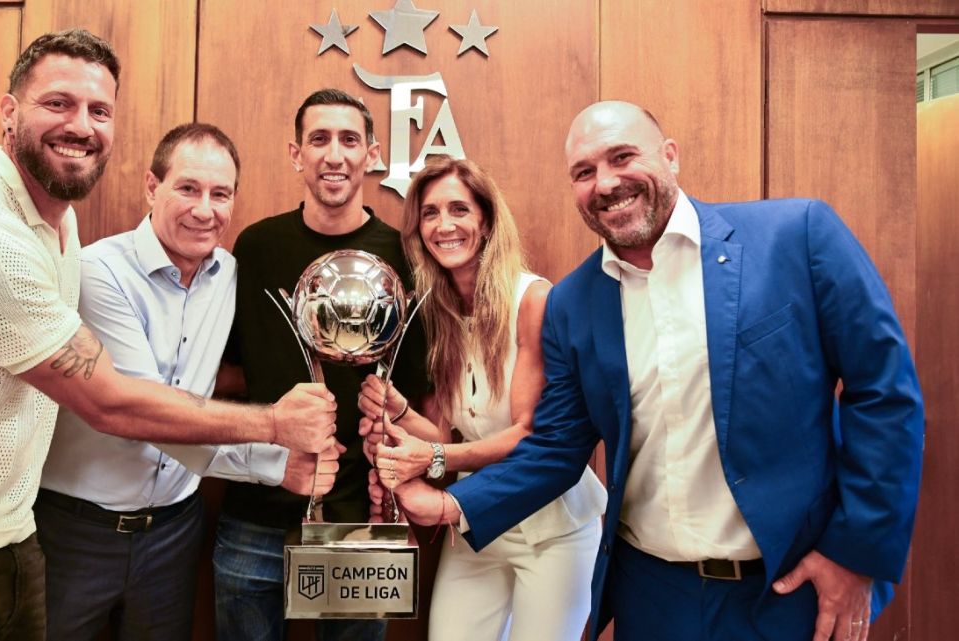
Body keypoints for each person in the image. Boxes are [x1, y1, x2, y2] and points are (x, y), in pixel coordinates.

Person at [0, 30, 335, 641]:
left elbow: (190, 378)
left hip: (11, 537)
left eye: (99, 110)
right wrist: (275, 432)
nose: (81, 125)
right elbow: (112, 400)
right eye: (57, 103)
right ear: (9, 113)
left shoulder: (57, 225)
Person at [374, 101, 924, 641]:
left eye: (622, 157)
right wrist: (450, 503)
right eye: (584, 172)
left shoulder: (795, 236)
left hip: (784, 590)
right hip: (652, 595)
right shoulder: (575, 302)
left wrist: (855, 554)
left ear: (670, 155)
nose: (606, 183)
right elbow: (557, 448)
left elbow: (884, 394)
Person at [35, 122, 344, 640]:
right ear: (152, 187)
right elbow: (142, 414)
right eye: (188, 188)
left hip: (175, 534)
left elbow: (236, 372)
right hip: (77, 532)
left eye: (220, 194)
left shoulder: (231, 276)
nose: (206, 210)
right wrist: (274, 458)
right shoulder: (98, 273)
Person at [357, 156, 607, 641]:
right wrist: (400, 413)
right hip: (475, 524)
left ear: (486, 221)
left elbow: (529, 434)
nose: (444, 225)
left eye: (459, 210)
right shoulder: (437, 314)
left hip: (552, 529)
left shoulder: (532, 300)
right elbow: (447, 437)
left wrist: (428, 456)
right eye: (430, 213)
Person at [214, 88, 429, 641]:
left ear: (372, 154)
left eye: (349, 140)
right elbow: (230, 371)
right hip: (254, 511)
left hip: (358, 515)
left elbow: (420, 395)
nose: (334, 155)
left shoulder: (405, 253)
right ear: (296, 154)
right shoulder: (256, 247)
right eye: (319, 139)